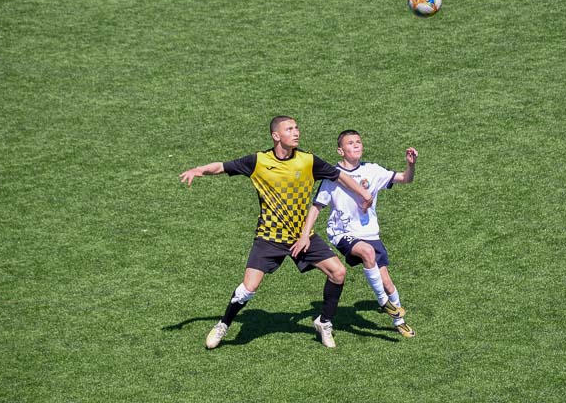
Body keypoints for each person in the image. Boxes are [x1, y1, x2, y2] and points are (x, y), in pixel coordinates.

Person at [179, 116, 373, 349]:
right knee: (247, 289)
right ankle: (224, 323)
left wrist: (364, 195)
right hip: (269, 238)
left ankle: (324, 322)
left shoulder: (307, 160)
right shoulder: (258, 161)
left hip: (302, 236)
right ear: (276, 136)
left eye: (296, 127)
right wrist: (198, 170)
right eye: (289, 129)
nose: (296, 132)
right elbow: (222, 166)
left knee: (338, 272)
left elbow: (339, 176)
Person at [295, 130, 418, 337]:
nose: (356, 145)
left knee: (387, 282)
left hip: (370, 233)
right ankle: (383, 303)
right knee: (367, 252)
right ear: (340, 151)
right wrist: (305, 234)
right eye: (350, 143)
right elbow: (316, 207)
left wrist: (411, 165)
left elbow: (406, 179)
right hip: (342, 233)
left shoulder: (373, 170)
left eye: (359, 142)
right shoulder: (332, 176)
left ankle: (399, 321)